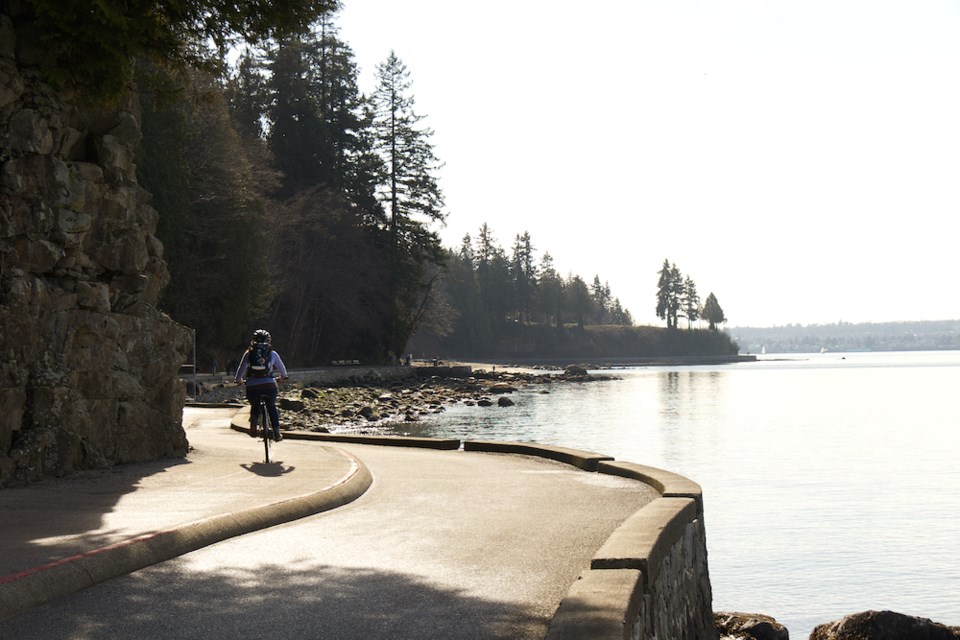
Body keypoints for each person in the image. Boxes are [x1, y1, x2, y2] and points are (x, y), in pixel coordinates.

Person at [234, 329, 288, 441]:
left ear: (253, 341)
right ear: (269, 341)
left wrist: (239, 380)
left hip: (252, 387)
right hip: (269, 386)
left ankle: (253, 422)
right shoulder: (272, 353)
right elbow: (283, 371)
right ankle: (277, 432)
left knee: (255, 405)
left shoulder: (249, 353)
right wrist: (282, 378)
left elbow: (241, 370)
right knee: (271, 406)